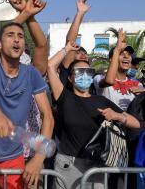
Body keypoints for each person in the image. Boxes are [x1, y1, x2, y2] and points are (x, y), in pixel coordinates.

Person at [0, 0, 54, 189]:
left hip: (15, 155)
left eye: (21, 36)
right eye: (10, 35)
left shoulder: (31, 73)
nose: (16, 39)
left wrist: (39, 158)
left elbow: (48, 116)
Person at [47, 40, 140, 189]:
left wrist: (118, 116)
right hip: (67, 165)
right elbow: (50, 66)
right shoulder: (64, 97)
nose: (84, 75)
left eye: (88, 72)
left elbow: (136, 123)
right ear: (70, 78)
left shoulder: (101, 100)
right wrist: (66, 49)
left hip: (96, 167)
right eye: (79, 72)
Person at [94, 29, 144, 111]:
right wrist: (117, 49)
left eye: (129, 54)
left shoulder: (138, 84)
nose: (126, 57)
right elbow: (109, 81)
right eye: (122, 53)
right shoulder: (99, 78)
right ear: (111, 59)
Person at [59, 0, 91, 87]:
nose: (83, 55)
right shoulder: (67, 71)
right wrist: (80, 13)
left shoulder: (93, 80)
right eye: (78, 53)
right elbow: (71, 41)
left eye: (85, 53)